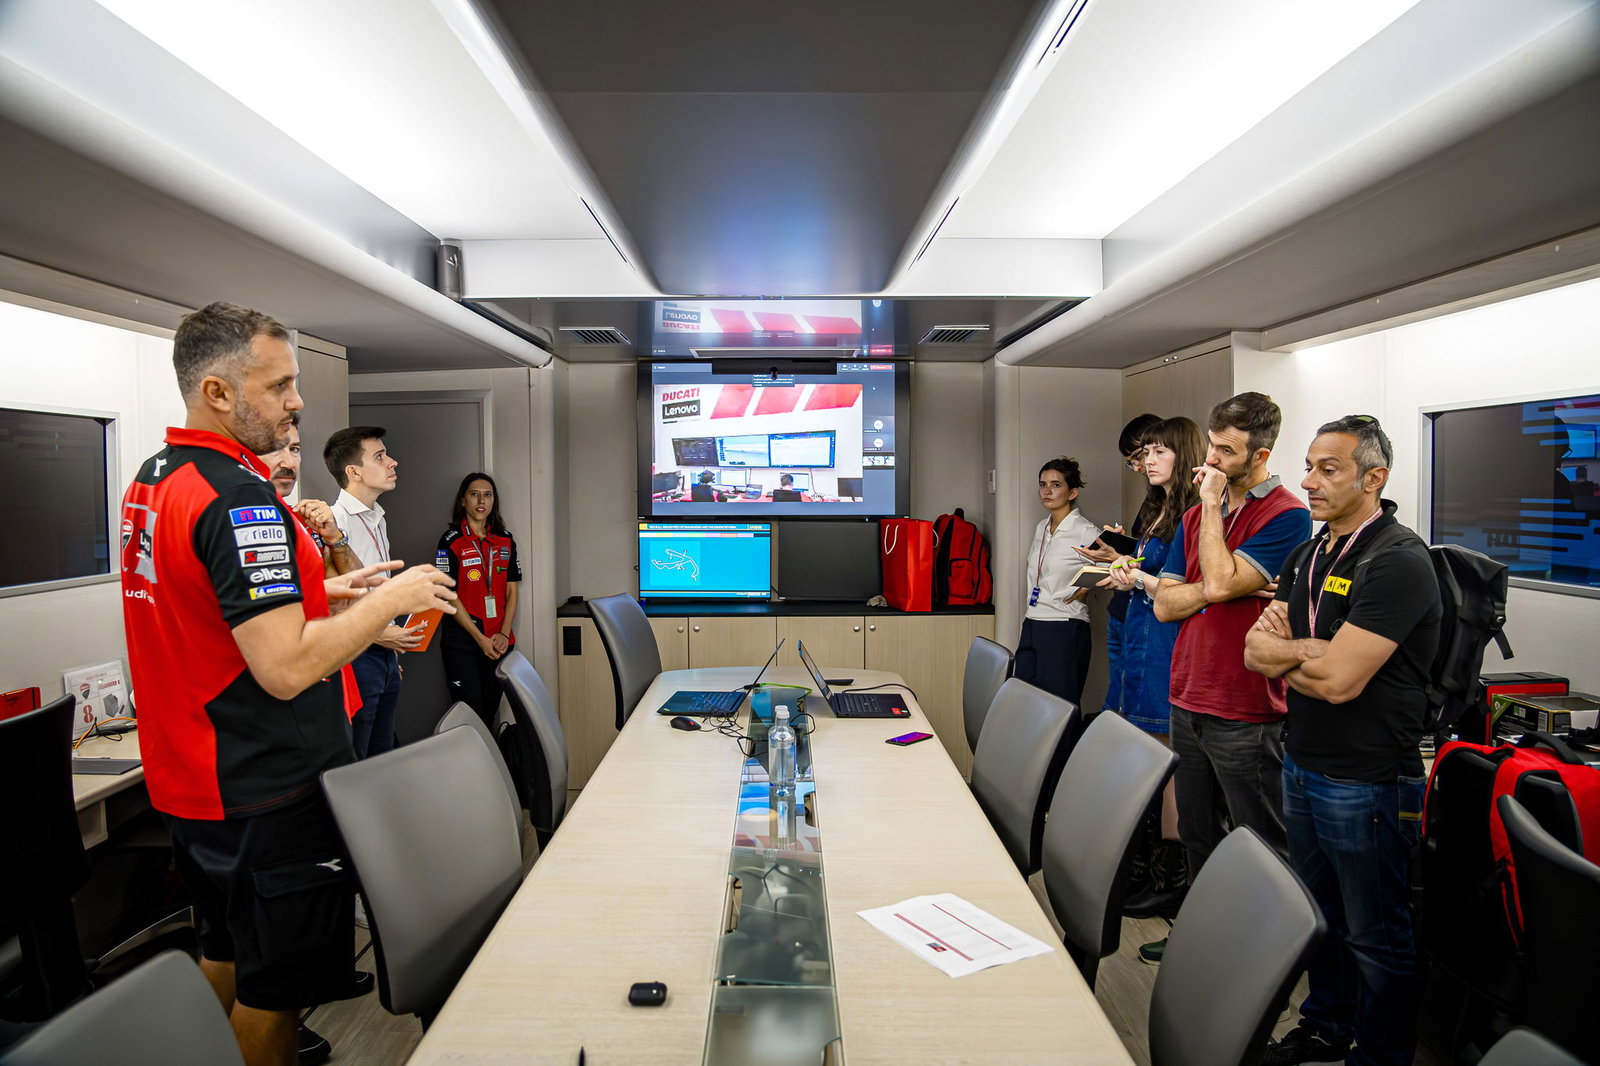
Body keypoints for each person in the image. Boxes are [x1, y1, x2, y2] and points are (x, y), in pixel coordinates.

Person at [120, 302, 454, 1066]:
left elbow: (202, 604)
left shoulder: (159, 476)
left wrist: (326, 593)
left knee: (226, 953)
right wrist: (383, 605)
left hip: (195, 780)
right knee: (275, 995)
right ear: (217, 393)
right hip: (264, 785)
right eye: (279, 387)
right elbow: (285, 667)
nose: (297, 402)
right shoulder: (240, 499)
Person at [1245, 415, 1440, 1066]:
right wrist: (1305, 651)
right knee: (1320, 916)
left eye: (1329, 470)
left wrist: (1290, 654)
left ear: (1374, 478)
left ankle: (1379, 1055)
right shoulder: (1310, 552)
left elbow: (1337, 682)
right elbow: (1254, 649)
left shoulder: (1398, 561)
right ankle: (1326, 1028)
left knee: (1376, 934)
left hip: (1367, 779)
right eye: (1309, 467)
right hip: (1302, 763)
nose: (1309, 482)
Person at [1145, 392, 1311, 964]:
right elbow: (1166, 605)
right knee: (1197, 832)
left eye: (1225, 451)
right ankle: (1203, 941)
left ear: (1260, 454)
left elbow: (1213, 586)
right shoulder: (1191, 516)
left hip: (1245, 704)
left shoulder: (1288, 514)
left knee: (1260, 839)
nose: (1209, 459)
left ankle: (1262, 958)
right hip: (1188, 692)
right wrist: (1214, 586)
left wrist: (1214, 513)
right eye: (1211, 446)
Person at [1095, 416, 1204, 917]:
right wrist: (1128, 569)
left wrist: (1135, 577)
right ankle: (1139, 865)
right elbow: (1150, 572)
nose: (1148, 462)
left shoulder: (1197, 515)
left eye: (1159, 452)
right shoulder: (1159, 509)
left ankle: (1170, 880)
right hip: (1141, 637)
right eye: (1144, 454)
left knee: (1167, 764)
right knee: (1146, 756)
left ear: (1183, 455)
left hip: (1165, 643)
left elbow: (1183, 590)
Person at [325, 426, 422, 759]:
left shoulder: (378, 518)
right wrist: (382, 635)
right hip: (357, 655)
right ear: (354, 472)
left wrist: (389, 652)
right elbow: (334, 602)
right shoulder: (335, 522)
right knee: (357, 755)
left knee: (382, 753)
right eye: (380, 457)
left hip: (382, 653)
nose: (392, 462)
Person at [436, 472, 523, 728]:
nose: (481, 501)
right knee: (469, 717)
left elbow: (512, 591)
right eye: (474, 494)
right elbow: (448, 595)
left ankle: (491, 766)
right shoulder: (450, 541)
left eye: (487, 494)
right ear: (463, 500)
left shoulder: (505, 539)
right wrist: (479, 639)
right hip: (464, 642)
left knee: (490, 713)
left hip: (498, 642)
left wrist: (504, 635)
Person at [1089, 413, 1161, 717]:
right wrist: (1122, 549)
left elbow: (1165, 566)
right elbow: (1148, 553)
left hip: (1147, 612)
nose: (1140, 467)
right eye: (1135, 460)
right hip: (1124, 608)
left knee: (1130, 713)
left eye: (1140, 456)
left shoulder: (1187, 505)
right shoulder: (1155, 498)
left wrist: (1119, 557)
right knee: (1115, 705)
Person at [1015, 456, 1100, 705]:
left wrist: (1085, 588)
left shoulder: (1085, 530)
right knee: (1026, 703)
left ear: (1072, 492)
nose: (1047, 491)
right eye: (1043, 484)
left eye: (1056, 485)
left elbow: (1112, 565)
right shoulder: (1042, 527)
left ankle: (1067, 747)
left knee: (1058, 708)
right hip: (1032, 621)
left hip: (1064, 625)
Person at [255, 412, 360, 577]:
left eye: (294, 449)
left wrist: (335, 539)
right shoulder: (228, 519)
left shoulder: (306, 521)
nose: (289, 463)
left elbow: (360, 587)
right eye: (275, 449)